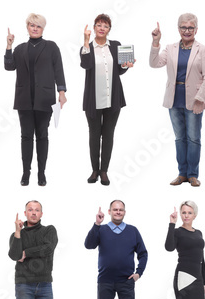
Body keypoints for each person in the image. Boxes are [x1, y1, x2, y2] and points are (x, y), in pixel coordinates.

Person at [151, 14, 205, 187]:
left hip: (194, 100)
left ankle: (192, 174)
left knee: (193, 138)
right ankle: (182, 174)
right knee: (180, 138)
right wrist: (156, 42)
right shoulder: (170, 48)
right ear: (178, 29)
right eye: (184, 27)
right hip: (174, 98)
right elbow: (154, 63)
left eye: (190, 28)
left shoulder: (203, 49)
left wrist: (201, 98)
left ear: (196, 29)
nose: (187, 31)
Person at [4, 13, 67, 187]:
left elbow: (58, 70)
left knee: (42, 136)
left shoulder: (51, 47)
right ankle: (25, 173)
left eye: (38, 26)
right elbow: (9, 67)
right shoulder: (20, 48)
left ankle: (41, 173)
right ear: (27, 27)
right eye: (32, 25)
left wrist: (61, 91)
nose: (35, 28)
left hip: (45, 99)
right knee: (25, 137)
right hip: (24, 99)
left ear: (43, 28)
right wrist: (9, 46)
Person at [81, 14, 134, 186]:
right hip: (93, 100)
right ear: (94, 28)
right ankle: (94, 170)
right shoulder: (87, 47)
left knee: (108, 135)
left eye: (105, 26)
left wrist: (126, 66)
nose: (102, 28)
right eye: (99, 25)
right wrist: (85, 40)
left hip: (113, 98)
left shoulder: (116, 46)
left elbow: (119, 71)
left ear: (109, 29)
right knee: (94, 135)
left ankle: (104, 171)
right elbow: (85, 64)